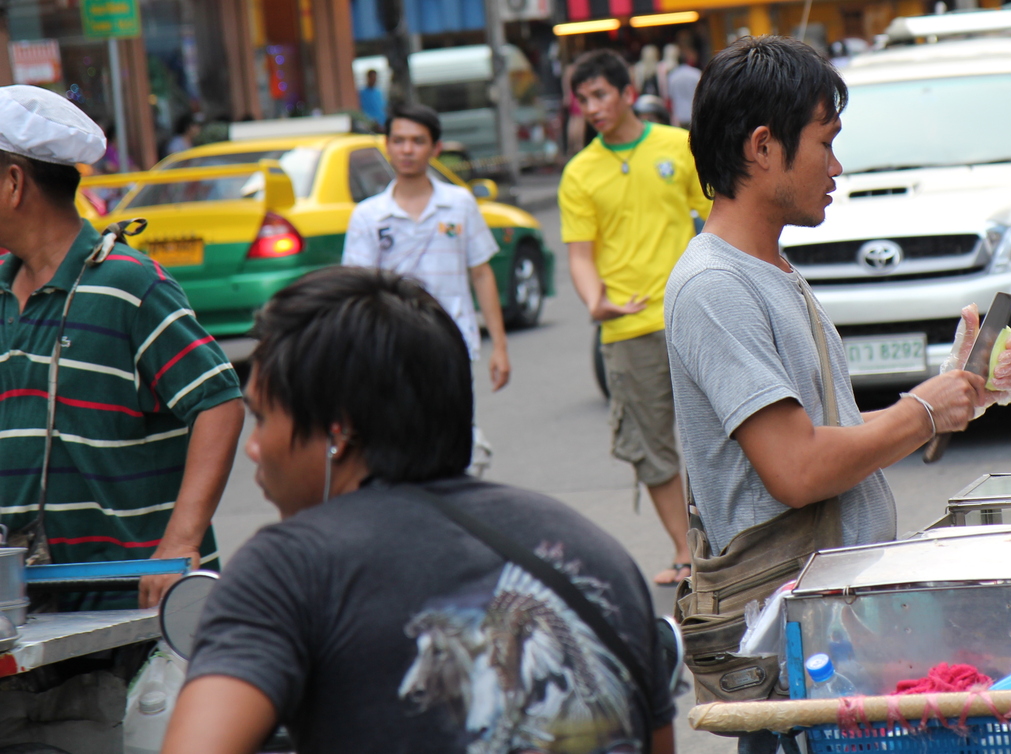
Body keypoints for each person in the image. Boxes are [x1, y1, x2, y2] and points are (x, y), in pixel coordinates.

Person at [163, 267, 677, 754]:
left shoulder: (287, 568)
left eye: (260, 417)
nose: (253, 448)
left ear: (337, 431)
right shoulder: (593, 552)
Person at [664, 36, 1011, 711]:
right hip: (792, 652)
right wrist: (923, 411)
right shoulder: (713, 285)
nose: (837, 165)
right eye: (825, 142)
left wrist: (954, 391)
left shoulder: (773, 272)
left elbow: (834, 437)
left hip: (834, 630)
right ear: (763, 147)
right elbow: (797, 468)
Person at [0, 85, 244, 608]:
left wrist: (178, 543)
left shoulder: (128, 285)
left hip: (132, 603)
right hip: (27, 603)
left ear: (14, 184)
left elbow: (219, 402)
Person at [559, 50, 711, 586]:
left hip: (692, 314)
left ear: (627, 92)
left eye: (601, 94)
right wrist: (594, 302)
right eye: (583, 100)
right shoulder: (580, 172)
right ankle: (684, 551)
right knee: (650, 446)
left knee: (725, 434)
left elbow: (717, 217)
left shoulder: (676, 146)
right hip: (626, 328)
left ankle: (732, 543)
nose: (592, 107)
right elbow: (580, 253)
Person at [342, 102, 509, 476]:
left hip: (454, 344)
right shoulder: (368, 216)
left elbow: (481, 274)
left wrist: (499, 346)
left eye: (417, 141)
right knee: (401, 441)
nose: (407, 150)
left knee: (456, 442)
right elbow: (358, 291)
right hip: (390, 348)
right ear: (386, 145)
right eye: (398, 140)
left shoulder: (460, 204)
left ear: (435, 148)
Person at [664, 45, 701, 128]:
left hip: (679, 114)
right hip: (694, 111)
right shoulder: (696, 73)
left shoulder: (672, 76)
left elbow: (670, 95)